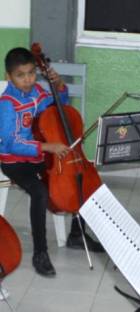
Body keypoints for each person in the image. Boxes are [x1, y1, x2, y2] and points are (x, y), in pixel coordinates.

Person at [0, 47, 103, 278]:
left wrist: (58, 86)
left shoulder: (37, 91)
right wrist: (48, 147)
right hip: (15, 161)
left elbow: (59, 104)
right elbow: (9, 143)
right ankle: (40, 253)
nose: (27, 80)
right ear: (9, 76)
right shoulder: (7, 104)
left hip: (39, 156)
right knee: (39, 193)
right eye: (21, 75)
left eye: (31, 73)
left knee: (80, 175)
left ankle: (77, 234)